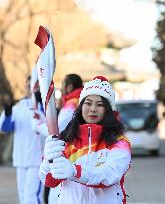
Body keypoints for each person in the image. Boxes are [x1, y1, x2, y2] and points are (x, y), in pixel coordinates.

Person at [39, 76, 131, 204]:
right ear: (81, 106)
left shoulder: (119, 142)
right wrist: (48, 160)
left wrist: (75, 171)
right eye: (88, 103)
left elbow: (110, 175)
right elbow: (50, 181)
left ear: (108, 110)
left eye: (100, 104)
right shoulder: (67, 139)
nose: (93, 109)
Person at [34, 74, 83, 204]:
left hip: (67, 154)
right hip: (78, 152)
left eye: (63, 86)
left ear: (70, 86)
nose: (61, 89)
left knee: (55, 196)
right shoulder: (80, 101)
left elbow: (56, 131)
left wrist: (38, 125)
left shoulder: (71, 105)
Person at [0, 76, 44, 204]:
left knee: (32, 197)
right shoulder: (17, 108)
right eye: (28, 86)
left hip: (37, 160)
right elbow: (5, 129)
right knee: (23, 196)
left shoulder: (44, 107)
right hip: (20, 160)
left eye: (33, 86)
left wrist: (40, 105)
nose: (30, 89)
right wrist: (7, 116)